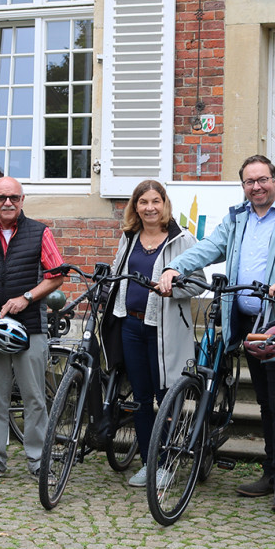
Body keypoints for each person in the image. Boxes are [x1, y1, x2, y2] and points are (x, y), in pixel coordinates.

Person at [158, 154, 275, 512]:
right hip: (247, 325)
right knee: (264, 402)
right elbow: (208, 248)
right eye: (250, 181)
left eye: (262, 180)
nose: (257, 187)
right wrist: (174, 266)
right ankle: (270, 470)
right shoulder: (237, 218)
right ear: (243, 185)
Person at [0, 177, 65, 480]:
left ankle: (38, 462)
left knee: (34, 397)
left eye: (14, 198)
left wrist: (27, 298)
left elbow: (56, 275)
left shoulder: (40, 232)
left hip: (30, 327)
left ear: (22, 200)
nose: (8, 202)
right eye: (2, 197)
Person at [102, 180, 203, 487]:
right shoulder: (129, 237)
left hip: (165, 329)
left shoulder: (182, 239)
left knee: (166, 396)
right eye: (143, 202)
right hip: (131, 326)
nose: (149, 208)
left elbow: (198, 283)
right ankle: (149, 462)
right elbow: (119, 275)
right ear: (135, 206)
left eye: (155, 201)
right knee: (141, 399)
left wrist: (173, 289)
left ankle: (168, 464)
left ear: (164, 203)